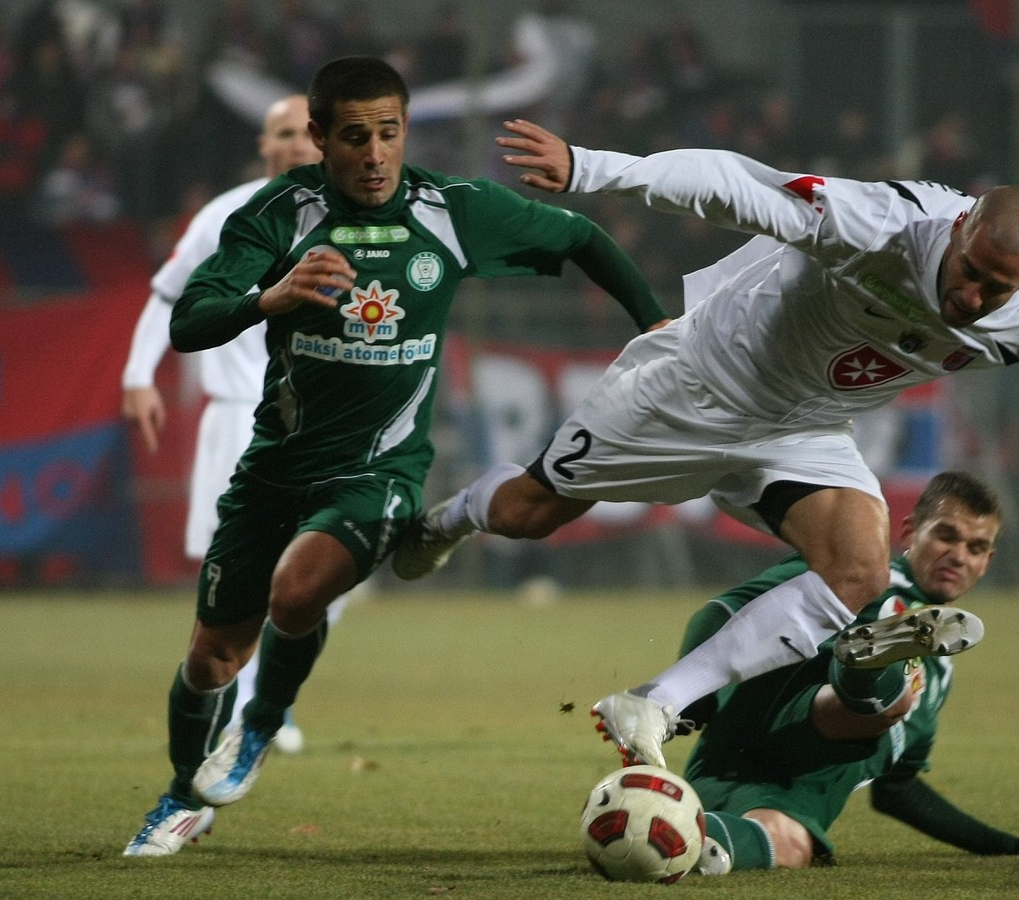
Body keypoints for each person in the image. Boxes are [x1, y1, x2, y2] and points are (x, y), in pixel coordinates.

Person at [395, 119, 1019, 770]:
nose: (971, 297)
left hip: (803, 429)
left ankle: (654, 704)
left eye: (997, 288)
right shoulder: (878, 225)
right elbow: (735, 184)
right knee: (531, 512)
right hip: (698, 384)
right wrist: (592, 168)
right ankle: (449, 519)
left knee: (859, 570)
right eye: (970, 273)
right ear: (959, 228)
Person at [122, 57, 669, 857]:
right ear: (320, 138)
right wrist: (270, 298)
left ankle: (259, 727)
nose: (376, 155)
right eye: (355, 137)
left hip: (381, 469)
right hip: (274, 465)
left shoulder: (453, 209)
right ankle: (181, 796)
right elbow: (189, 320)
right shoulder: (277, 212)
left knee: (297, 593)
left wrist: (653, 322)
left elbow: (582, 237)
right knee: (210, 658)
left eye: (389, 133)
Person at [668, 470, 1019, 875]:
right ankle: (865, 668)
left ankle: (674, 837)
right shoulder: (849, 574)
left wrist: (1012, 846)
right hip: (767, 729)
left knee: (788, 845)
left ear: (987, 561)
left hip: (791, 794)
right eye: (946, 536)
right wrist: (689, 698)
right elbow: (722, 612)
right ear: (910, 531)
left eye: (975, 548)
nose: (958, 556)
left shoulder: (941, 673)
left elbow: (897, 790)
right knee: (888, 701)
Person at [119, 94, 321, 763]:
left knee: (324, 568)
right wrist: (138, 375)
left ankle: (265, 701)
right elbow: (168, 293)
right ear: (263, 146)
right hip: (240, 414)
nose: (296, 143)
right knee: (239, 576)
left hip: (323, 423)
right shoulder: (228, 214)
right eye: (282, 132)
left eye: (307, 131)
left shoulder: (356, 217)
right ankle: (246, 706)